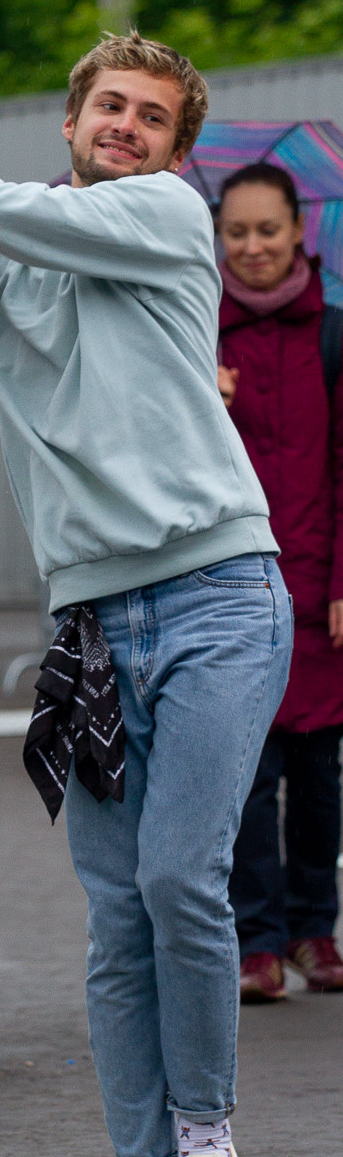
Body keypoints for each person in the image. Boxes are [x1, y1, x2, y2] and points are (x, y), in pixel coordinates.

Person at [0, 32, 292, 1157]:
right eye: (108, 107)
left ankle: (209, 1150)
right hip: (87, 626)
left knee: (185, 881)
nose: (125, 126)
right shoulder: (18, 239)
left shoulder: (168, 223)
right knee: (115, 917)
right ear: (71, 121)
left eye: (150, 118)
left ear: (176, 154)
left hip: (217, 595)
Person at [214, 163, 343, 1002]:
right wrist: (201, 399)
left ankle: (314, 931)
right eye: (237, 233)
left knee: (321, 775)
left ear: (299, 231)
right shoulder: (195, 335)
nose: (253, 247)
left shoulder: (335, 335)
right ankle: (254, 941)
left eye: (268, 230)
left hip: (321, 589)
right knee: (247, 780)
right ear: (217, 241)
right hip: (235, 595)